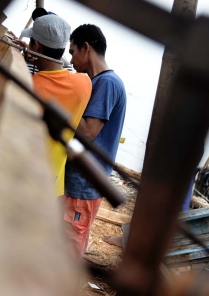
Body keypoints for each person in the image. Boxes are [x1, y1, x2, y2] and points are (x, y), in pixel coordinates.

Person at [64, 24, 127, 257]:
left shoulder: (107, 83)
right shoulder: (98, 81)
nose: (71, 60)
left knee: (67, 248)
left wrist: (60, 102)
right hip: (81, 181)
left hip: (84, 183)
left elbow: (89, 131)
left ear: (86, 48)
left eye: (72, 52)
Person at [14, 14, 92, 196]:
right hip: (53, 183)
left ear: (37, 46)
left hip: (24, 180)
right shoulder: (84, 83)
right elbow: (60, 69)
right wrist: (36, 55)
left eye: (32, 42)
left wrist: (32, 57)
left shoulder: (30, 86)